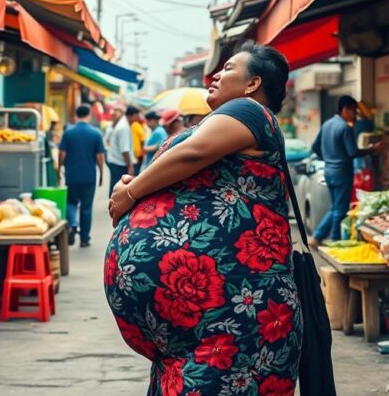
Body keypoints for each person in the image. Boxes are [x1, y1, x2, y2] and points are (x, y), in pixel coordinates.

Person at [105, 42, 301, 395]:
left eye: (228, 69)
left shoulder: (250, 111)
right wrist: (135, 188)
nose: (215, 75)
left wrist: (131, 195)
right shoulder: (231, 118)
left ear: (252, 84)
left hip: (239, 312)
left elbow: (193, 154)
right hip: (205, 327)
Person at [310, 95, 382, 248]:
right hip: (342, 172)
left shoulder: (327, 124)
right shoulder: (344, 127)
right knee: (340, 210)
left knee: (336, 207)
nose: (354, 115)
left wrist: (328, 158)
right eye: (354, 111)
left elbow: (315, 146)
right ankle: (335, 242)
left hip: (329, 171)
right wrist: (372, 149)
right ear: (346, 109)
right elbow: (353, 153)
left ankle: (317, 237)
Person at [58, 105, 105, 248]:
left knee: (71, 203)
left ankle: (72, 224)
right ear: (89, 115)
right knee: (86, 208)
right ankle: (84, 239)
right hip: (89, 176)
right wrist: (101, 173)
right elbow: (100, 156)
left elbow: (62, 154)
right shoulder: (96, 133)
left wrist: (59, 169)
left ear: (76, 115)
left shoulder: (68, 132)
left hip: (72, 175)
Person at [106, 105, 135, 190]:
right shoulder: (123, 127)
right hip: (119, 162)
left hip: (114, 160)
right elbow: (124, 150)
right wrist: (130, 166)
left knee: (115, 186)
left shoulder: (116, 125)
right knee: (118, 188)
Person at [131, 107, 149, 174]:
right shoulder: (135, 125)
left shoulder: (140, 125)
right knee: (136, 171)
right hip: (138, 153)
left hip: (139, 153)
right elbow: (143, 138)